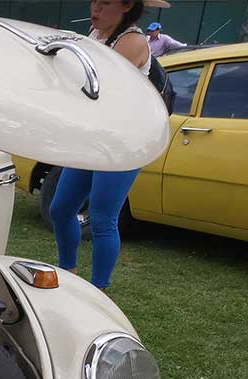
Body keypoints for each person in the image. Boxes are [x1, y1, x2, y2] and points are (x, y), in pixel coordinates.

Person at [49, 0, 162, 291]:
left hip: (124, 143)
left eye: (105, 3)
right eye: (94, 2)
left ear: (125, 6)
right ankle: (69, 274)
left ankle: (98, 291)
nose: (95, 9)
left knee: (102, 219)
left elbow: (100, 88)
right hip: (95, 138)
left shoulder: (133, 41)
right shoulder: (95, 34)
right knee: (60, 210)